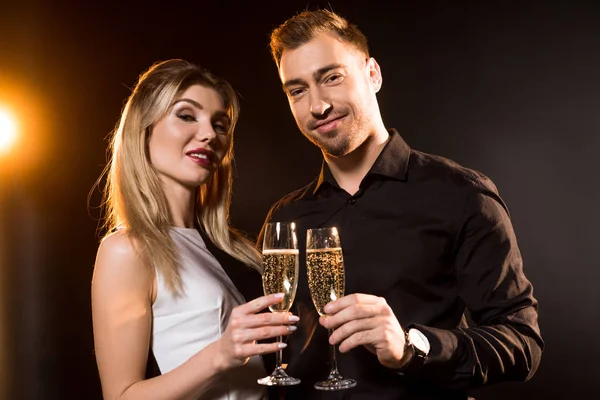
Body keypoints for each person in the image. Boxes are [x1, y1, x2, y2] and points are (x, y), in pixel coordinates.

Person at [259, 9, 543, 399]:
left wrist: (412, 348)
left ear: (372, 74)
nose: (317, 106)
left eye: (332, 78)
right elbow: (270, 353)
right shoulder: (285, 219)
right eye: (297, 90)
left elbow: (522, 345)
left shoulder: (461, 194)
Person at [91, 59, 298, 400]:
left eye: (220, 125)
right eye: (187, 115)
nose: (209, 135)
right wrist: (221, 353)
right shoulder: (126, 250)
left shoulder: (233, 249)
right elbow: (121, 396)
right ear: (143, 129)